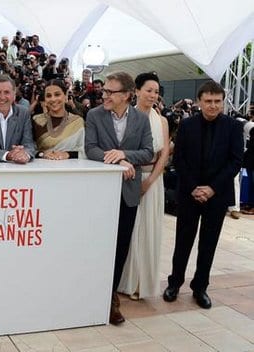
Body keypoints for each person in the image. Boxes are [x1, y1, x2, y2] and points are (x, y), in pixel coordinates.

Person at [163, 81, 243, 309]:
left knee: (209, 243)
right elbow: (179, 159)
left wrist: (211, 188)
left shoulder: (233, 127)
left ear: (223, 102)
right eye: (208, 101)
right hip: (190, 194)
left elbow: (235, 162)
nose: (213, 106)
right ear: (199, 102)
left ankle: (200, 287)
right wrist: (194, 187)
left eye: (217, 101)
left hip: (217, 195)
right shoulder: (187, 126)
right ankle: (174, 283)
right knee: (183, 241)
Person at [85, 71, 153, 325]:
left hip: (128, 195)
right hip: (100, 194)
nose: (104, 96)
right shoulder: (93, 115)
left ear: (126, 95)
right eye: (104, 91)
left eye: (110, 92)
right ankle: (90, 293)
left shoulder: (141, 120)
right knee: (97, 245)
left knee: (120, 247)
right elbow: (90, 149)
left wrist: (124, 154)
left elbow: (147, 151)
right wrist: (118, 161)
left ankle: (110, 297)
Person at [118, 72, 170, 300]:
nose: (152, 95)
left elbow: (164, 153)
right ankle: (123, 281)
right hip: (128, 178)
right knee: (128, 231)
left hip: (153, 180)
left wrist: (149, 181)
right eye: (148, 90)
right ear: (136, 91)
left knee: (148, 230)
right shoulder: (126, 117)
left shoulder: (162, 120)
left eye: (156, 91)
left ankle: (142, 284)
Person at [32, 79, 85, 160]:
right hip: (43, 168)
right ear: (45, 100)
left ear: (65, 95)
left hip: (71, 169)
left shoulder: (77, 121)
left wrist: (67, 154)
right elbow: (28, 149)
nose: (53, 99)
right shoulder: (36, 120)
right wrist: (42, 154)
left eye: (57, 94)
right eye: (49, 96)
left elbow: (85, 151)